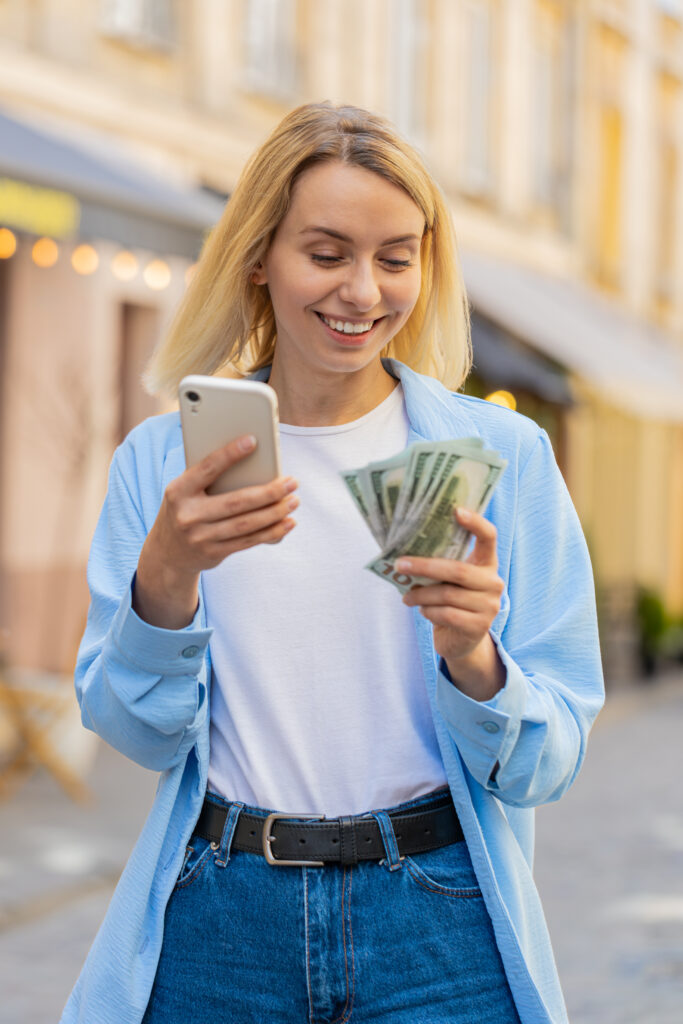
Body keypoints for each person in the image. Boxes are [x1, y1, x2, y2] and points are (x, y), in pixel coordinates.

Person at [61, 103, 604, 1024]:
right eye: (326, 253)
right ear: (257, 258)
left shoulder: (495, 455)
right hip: (220, 913)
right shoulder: (163, 466)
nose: (362, 291)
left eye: (396, 257)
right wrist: (164, 581)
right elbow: (139, 734)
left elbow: (546, 764)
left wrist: (474, 658)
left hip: (437, 920)